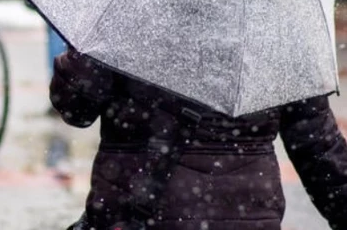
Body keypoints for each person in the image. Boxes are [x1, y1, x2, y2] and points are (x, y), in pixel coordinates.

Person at [51, 47, 347, 230]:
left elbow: (75, 107)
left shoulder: (133, 8)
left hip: (140, 213)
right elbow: (318, 145)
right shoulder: (276, 27)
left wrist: (80, 54)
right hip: (248, 216)